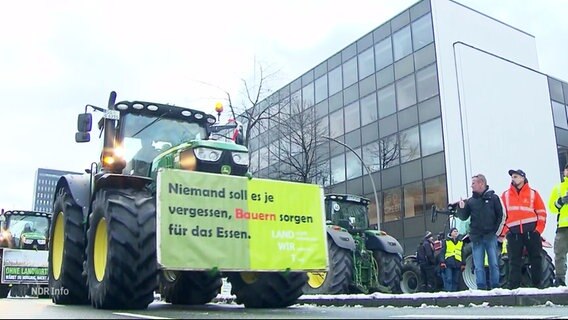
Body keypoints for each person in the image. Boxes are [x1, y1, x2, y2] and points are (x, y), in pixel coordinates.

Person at [456, 174, 506, 290]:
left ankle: (495, 286)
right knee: (478, 265)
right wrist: (461, 208)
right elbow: (463, 217)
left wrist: (496, 233)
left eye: (473, 183)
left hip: (490, 236)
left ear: (481, 183)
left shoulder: (494, 198)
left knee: (494, 263)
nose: (471, 186)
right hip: (476, 238)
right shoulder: (471, 201)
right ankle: (481, 287)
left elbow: (501, 215)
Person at [501, 169, 547, 289]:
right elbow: (502, 215)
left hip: (531, 232)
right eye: (512, 177)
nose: (513, 179)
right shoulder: (505, 195)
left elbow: (541, 212)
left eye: (515, 176)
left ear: (523, 178)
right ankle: (513, 287)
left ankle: (538, 286)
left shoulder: (533, 193)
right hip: (514, 233)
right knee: (513, 261)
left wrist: (538, 230)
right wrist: (506, 231)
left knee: (536, 259)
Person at [548, 163, 568, 287]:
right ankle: (560, 279)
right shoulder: (559, 188)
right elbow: (552, 207)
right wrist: (560, 202)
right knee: (559, 254)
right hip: (562, 227)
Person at [439, 228, 466, 292]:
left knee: (456, 280)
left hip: (457, 263)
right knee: (449, 279)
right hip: (449, 263)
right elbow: (442, 252)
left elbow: (462, 253)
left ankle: (453, 293)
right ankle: (448, 293)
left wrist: (463, 263)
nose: (456, 232)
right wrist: (442, 262)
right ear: (451, 233)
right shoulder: (446, 241)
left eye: (457, 231)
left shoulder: (460, 242)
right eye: (454, 231)